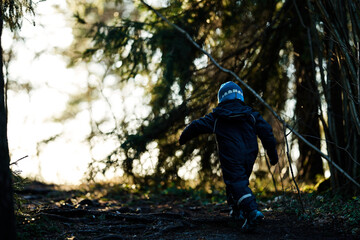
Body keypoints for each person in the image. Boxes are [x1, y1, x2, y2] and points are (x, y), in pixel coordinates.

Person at [179, 81, 278, 232]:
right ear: (240, 97)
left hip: (231, 154)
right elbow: (267, 133)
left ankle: (251, 212)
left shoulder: (217, 117)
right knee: (238, 181)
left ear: (221, 99)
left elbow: (196, 125)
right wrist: (273, 155)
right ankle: (237, 211)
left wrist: (183, 137)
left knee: (235, 181)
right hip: (250, 153)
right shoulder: (251, 115)